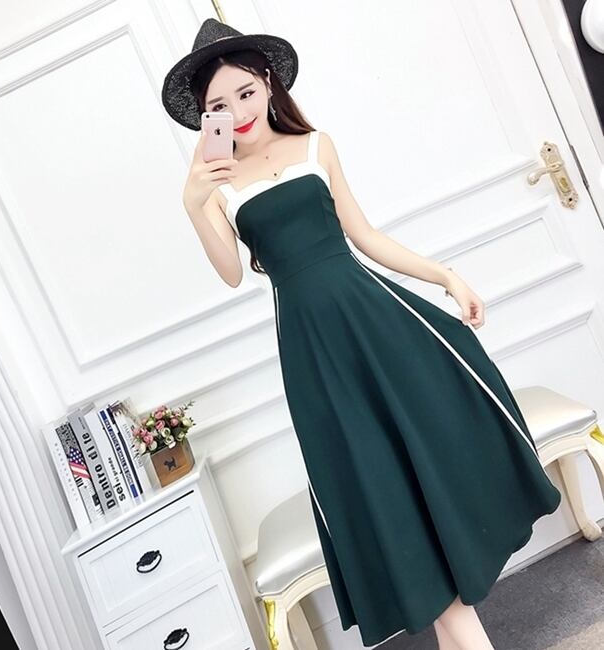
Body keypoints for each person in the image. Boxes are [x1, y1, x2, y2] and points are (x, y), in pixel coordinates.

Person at [161, 18, 562, 650]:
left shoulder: (316, 147)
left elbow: (366, 237)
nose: (237, 111)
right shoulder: (217, 184)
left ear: (267, 83)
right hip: (314, 355)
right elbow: (232, 274)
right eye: (219, 105)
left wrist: (445, 276)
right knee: (379, 486)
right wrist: (193, 204)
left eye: (245, 92)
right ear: (205, 116)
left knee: (426, 460)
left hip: (378, 325)